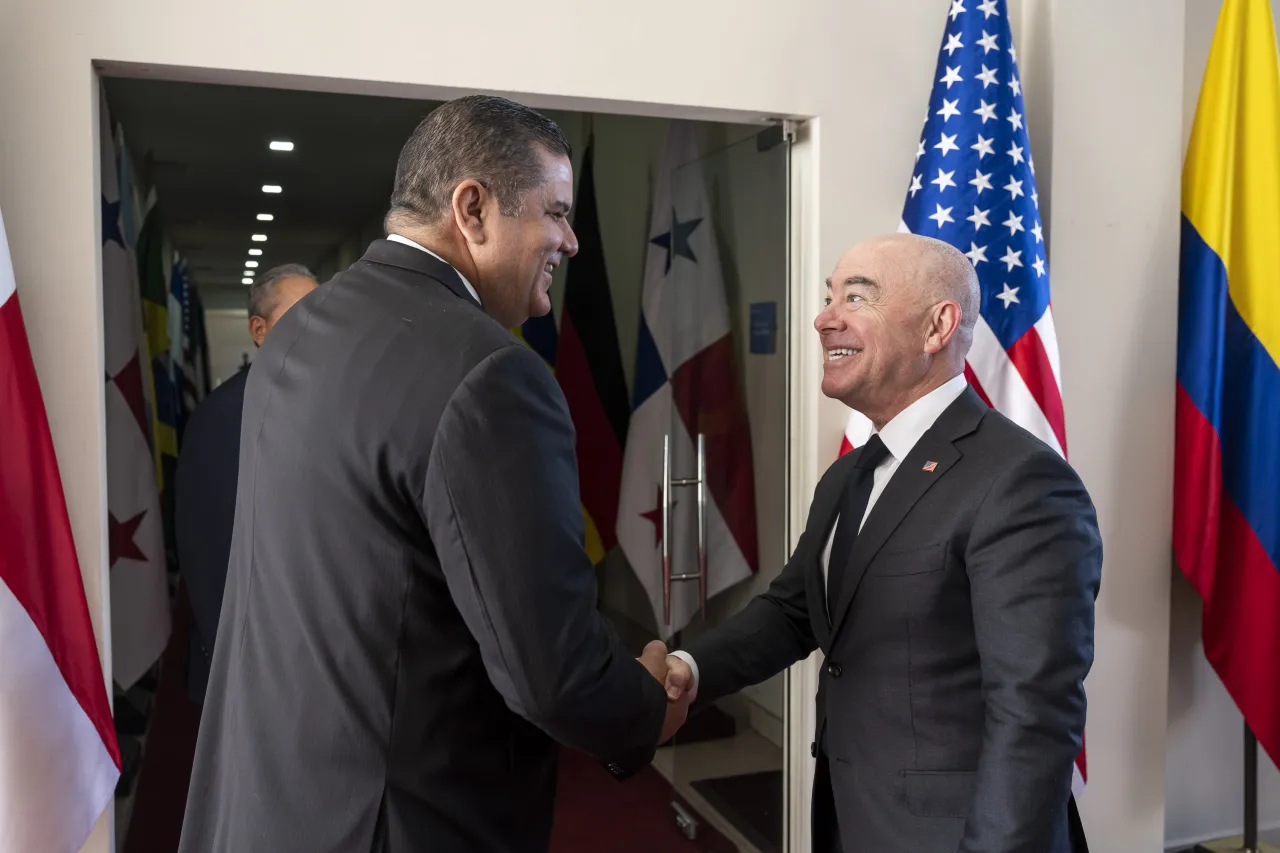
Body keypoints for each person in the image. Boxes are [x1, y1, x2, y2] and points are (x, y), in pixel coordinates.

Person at [178, 95, 684, 853]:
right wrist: (647, 704)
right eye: (555, 212)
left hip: (273, 800)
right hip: (399, 821)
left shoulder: (300, 332)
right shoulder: (490, 374)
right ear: (472, 208)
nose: (571, 241)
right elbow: (551, 673)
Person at [664, 233, 1101, 853]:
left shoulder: (1021, 481)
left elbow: (1033, 713)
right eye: (828, 297)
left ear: (937, 326)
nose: (823, 318)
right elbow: (798, 611)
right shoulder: (852, 472)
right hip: (852, 819)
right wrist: (688, 669)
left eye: (856, 297)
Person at [174, 263, 317, 703]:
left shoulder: (338, 401)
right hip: (253, 670)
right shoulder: (221, 418)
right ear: (260, 329)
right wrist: (240, 671)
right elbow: (210, 554)